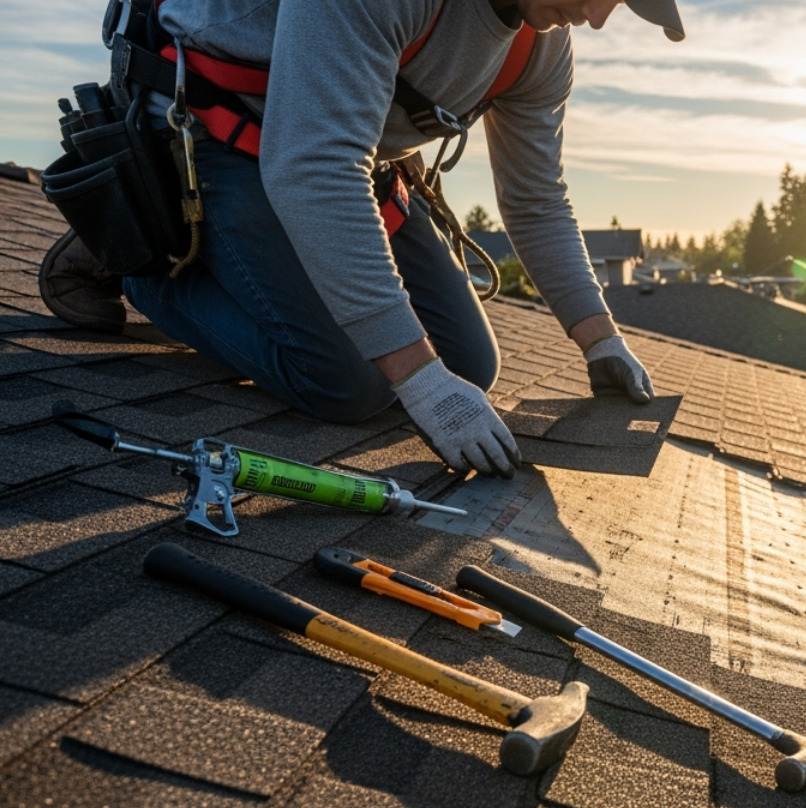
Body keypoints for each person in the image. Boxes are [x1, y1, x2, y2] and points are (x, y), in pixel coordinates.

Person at [40, 0, 682, 477]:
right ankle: (137, 259)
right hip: (217, 129)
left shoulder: (541, 46)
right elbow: (312, 167)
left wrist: (600, 338)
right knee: (348, 382)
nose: (599, 18)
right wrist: (417, 378)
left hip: (348, 158)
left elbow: (536, 200)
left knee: (470, 367)